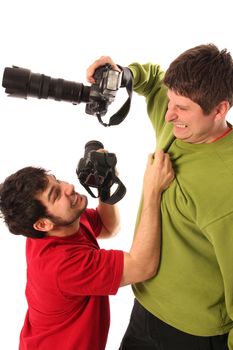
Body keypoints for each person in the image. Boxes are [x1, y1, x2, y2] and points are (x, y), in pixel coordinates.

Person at [87, 44, 233, 350]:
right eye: (169, 102)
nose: (168, 115)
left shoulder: (226, 186)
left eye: (182, 108)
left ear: (219, 110)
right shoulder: (179, 126)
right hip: (145, 308)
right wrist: (123, 74)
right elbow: (153, 80)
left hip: (194, 333)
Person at [0, 148, 174, 350]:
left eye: (57, 180)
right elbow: (143, 267)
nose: (69, 186)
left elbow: (108, 227)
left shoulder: (61, 224)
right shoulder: (63, 266)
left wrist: (105, 182)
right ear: (43, 224)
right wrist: (153, 190)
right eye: (56, 194)